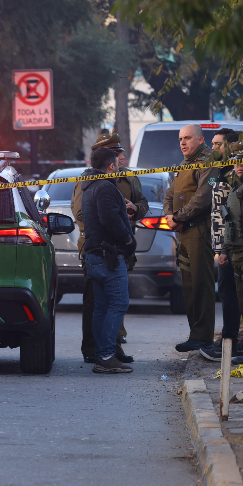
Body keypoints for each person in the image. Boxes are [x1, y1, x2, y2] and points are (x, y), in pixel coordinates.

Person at [71, 133, 147, 364]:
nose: (122, 156)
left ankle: (111, 347)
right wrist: (122, 233)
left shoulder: (128, 179)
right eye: (117, 152)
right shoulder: (94, 183)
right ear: (107, 158)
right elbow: (83, 214)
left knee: (112, 302)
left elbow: (142, 203)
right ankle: (96, 349)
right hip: (102, 246)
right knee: (100, 302)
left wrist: (132, 209)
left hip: (115, 248)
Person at [80, 146, 137, 373]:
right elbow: (110, 219)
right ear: (111, 166)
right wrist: (128, 240)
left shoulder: (90, 186)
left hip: (95, 255)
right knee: (118, 303)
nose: (120, 165)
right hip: (108, 256)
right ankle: (106, 355)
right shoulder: (105, 187)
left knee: (102, 307)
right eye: (118, 162)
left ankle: (100, 354)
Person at [166, 124, 217, 353]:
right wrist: (170, 215)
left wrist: (178, 217)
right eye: (180, 139)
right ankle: (194, 333)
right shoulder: (184, 164)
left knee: (201, 284)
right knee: (188, 284)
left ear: (200, 139)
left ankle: (203, 336)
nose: (183, 143)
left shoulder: (208, 162)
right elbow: (170, 193)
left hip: (198, 231)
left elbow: (203, 198)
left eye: (187, 138)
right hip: (183, 232)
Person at [208, 128, 243, 361]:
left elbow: (229, 214)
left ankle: (231, 341)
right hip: (223, 243)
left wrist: (223, 248)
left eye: (217, 144)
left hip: (232, 245)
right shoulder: (219, 170)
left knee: (231, 293)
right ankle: (228, 340)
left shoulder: (235, 172)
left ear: (230, 146)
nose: (213, 148)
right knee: (228, 293)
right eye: (212, 143)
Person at [220, 140, 243, 365]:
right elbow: (229, 223)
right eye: (235, 161)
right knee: (242, 304)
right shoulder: (236, 187)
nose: (239, 165)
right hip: (235, 252)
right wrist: (223, 250)